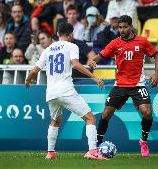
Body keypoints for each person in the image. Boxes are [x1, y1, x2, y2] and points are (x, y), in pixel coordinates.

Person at [25, 22, 106, 160]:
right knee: (90, 118)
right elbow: (75, 64)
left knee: (55, 120)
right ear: (71, 34)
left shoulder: (48, 49)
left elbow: (35, 70)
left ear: (57, 34)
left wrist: (28, 80)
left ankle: (50, 153)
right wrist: (94, 77)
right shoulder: (72, 46)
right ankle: (92, 151)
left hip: (51, 92)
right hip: (65, 90)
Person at [88, 15, 158, 157]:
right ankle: (97, 146)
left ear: (131, 27)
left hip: (138, 84)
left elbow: (157, 55)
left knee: (147, 112)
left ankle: (143, 141)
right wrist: (93, 61)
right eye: (120, 27)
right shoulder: (115, 43)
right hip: (120, 84)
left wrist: (156, 74)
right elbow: (101, 55)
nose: (121, 30)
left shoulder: (142, 41)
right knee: (106, 114)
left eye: (124, 27)